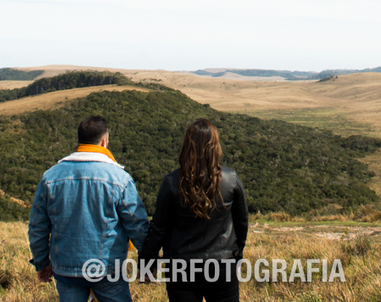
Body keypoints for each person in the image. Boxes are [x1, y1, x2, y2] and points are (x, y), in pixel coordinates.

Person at [28, 115, 149, 302]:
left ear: (79, 141)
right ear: (104, 142)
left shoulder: (50, 177)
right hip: (107, 269)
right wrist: (148, 262)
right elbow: (137, 225)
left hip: (65, 268)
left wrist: (42, 263)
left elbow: (37, 227)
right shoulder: (120, 178)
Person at [140, 119, 249, 302]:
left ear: (186, 146)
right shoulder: (231, 179)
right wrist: (237, 254)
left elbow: (159, 228)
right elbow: (242, 222)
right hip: (222, 263)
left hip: (181, 266)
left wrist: (146, 262)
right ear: (215, 147)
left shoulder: (171, 182)